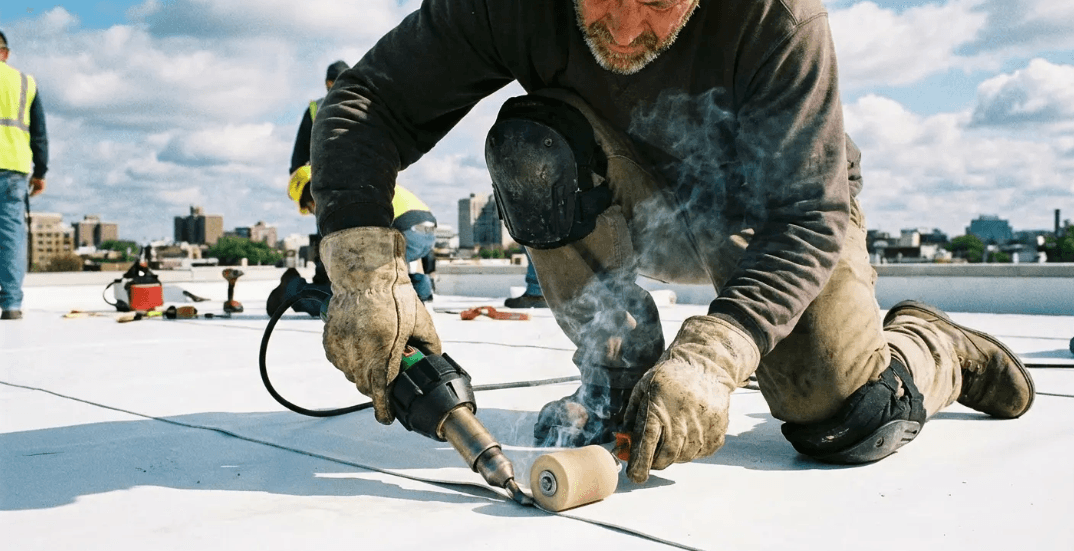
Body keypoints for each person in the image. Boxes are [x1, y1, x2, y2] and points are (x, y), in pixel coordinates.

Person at [308, 0, 1034, 483]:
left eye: (656, 2)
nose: (624, 32)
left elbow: (811, 216)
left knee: (847, 420)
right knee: (532, 144)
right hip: (628, 195)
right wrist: (363, 271)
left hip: (774, 218)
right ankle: (617, 377)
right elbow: (367, 100)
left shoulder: (779, 17)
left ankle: (929, 346)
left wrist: (718, 354)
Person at [269, 60, 437, 316]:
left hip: (343, 190)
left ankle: (303, 291)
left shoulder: (328, 107)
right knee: (347, 256)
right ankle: (322, 286)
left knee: (353, 281)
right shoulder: (360, 104)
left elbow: (298, 158)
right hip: (353, 187)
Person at [0, 30, 47, 321]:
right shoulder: (24, 83)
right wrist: (40, 172)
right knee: (11, 237)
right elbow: (39, 134)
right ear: (5, 53)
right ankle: (11, 304)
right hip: (13, 169)